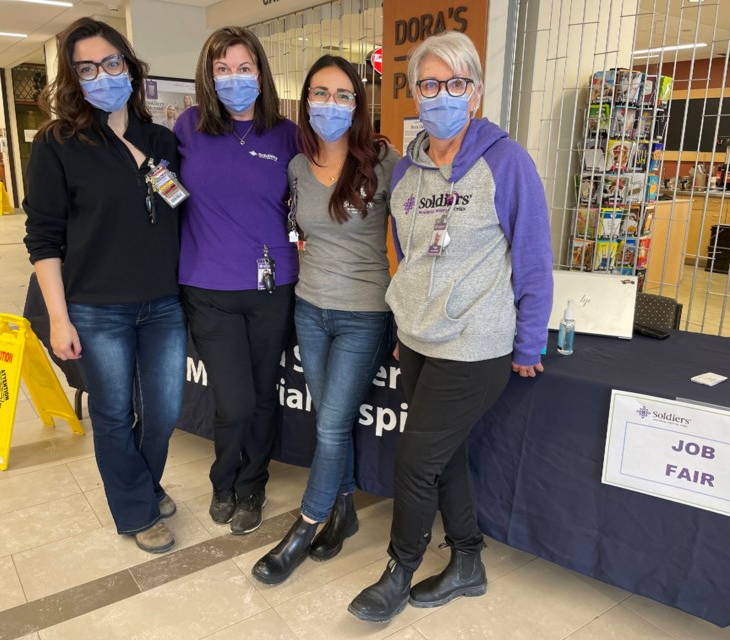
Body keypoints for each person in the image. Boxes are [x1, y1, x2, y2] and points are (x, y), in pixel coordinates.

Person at [347, 30, 554, 623]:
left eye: (454, 84)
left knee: (415, 460)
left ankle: (399, 570)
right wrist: (403, 315)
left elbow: (533, 253)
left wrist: (530, 338)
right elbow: (407, 256)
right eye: (429, 85)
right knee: (445, 455)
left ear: (476, 93)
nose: (441, 95)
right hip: (416, 339)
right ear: (413, 93)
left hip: (476, 342)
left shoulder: (504, 160)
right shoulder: (408, 171)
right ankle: (467, 560)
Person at [22, 17, 187, 554]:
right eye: (87, 68)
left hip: (162, 303)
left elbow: (177, 202)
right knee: (113, 414)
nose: (103, 75)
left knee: (162, 413)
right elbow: (43, 237)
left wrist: (131, 149)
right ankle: (137, 509)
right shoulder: (56, 144)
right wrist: (59, 317)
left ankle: (145, 481)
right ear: (74, 78)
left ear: (130, 68)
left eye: (112, 63)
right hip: (95, 308)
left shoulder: (160, 139)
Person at [250, 56, 398, 585]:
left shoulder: (383, 159)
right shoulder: (296, 165)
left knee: (333, 425)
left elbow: (409, 241)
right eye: (319, 93)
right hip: (309, 309)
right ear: (305, 100)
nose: (329, 105)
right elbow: (295, 231)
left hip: (364, 314)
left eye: (341, 95)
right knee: (327, 424)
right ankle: (345, 514)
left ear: (357, 103)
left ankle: (304, 528)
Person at [175, 26, 299, 536]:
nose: (233, 78)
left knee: (265, 394)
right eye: (221, 69)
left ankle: (253, 483)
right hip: (208, 289)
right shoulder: (187, 128)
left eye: (243, 67)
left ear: (261, 72)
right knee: (235, 400)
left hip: (272, 287)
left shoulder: (287, 134)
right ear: (208, 76)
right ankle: (222, 478)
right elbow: (161, 191)